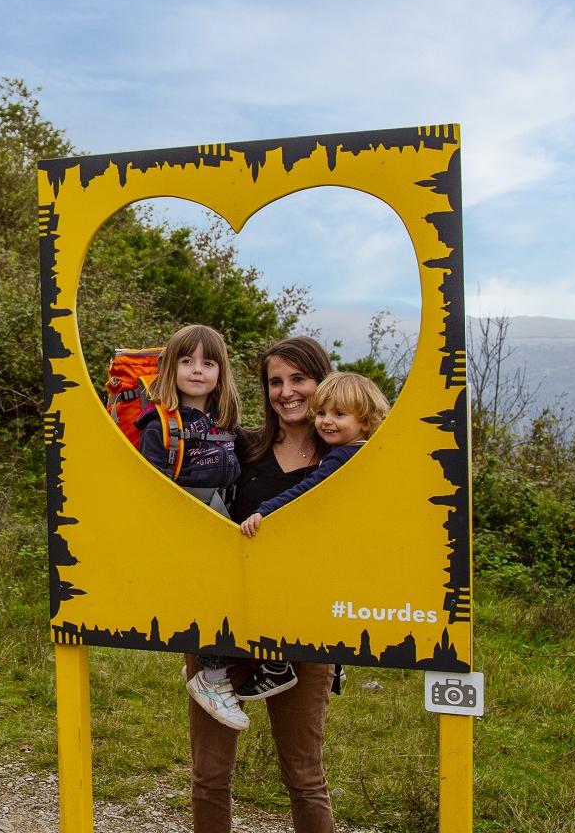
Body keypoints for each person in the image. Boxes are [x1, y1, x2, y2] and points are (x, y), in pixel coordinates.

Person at [186, 337, 342, 833]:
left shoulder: (347, 460)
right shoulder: (242, 448)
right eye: (276, 381)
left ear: (323, 381)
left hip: (305, 629)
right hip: (222, 627)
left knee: (304, 776)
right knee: (210, 776)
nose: (286, 392)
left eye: (299, 379)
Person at [130, 326, 249, 730]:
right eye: (187, 361)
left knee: (238, 593)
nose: (197, 371)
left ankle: (209, 665)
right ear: (171, 368)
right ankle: (212, 678)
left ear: (220, 372)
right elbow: (151, 488)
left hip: (222, 519)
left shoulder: (224, 422)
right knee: (221, 596)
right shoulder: (158, 425)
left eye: (208, 363)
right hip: (189, 527)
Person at [248, 371, 390, 521]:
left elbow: (308, 490)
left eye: (339, 414)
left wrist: (266, 510)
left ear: (366, 422)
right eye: (321, 413)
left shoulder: (342, 457)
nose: (326, 420)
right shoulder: (367, 452)